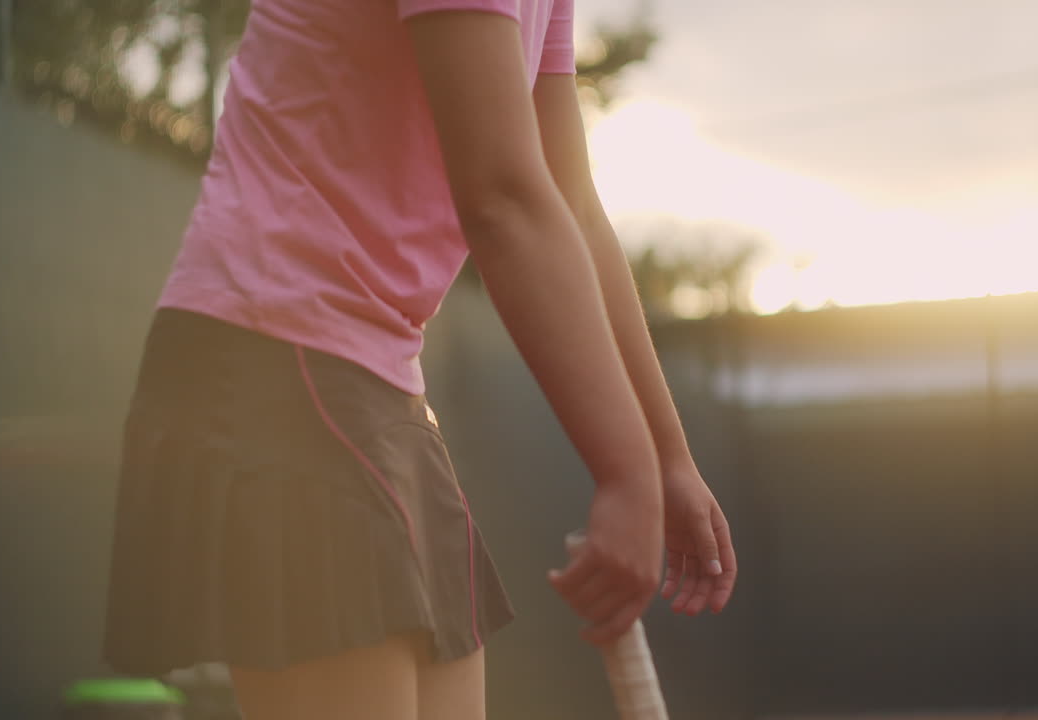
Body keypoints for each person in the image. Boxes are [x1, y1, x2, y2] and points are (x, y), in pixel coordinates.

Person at [102, 1, 737, 718]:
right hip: (279, 358)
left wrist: (666, 457)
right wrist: (626, 470)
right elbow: (500, 195)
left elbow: (570, 202)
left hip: (379, 383)